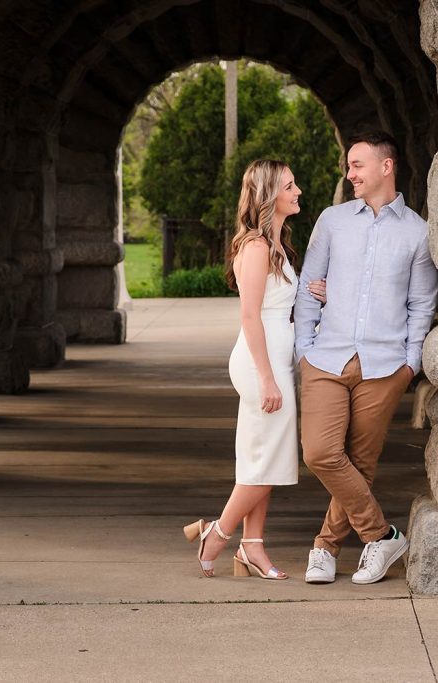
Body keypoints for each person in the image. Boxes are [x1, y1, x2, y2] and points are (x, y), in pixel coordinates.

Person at [295, 131, 438, 585]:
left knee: (360, 461)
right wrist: (304, 348)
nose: (350, 173)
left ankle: (325, 548)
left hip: (384, 364)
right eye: (349, 164)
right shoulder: (333, 221)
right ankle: (383, 534)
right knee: (320, 451)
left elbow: (422, 304)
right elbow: (308, 284)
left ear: (386, 166)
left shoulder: (418, 232)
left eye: (357, 164)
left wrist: (410, 363)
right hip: (327, 357)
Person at [183, 159, 302, 580]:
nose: (298, 191)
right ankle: (217, 533)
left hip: (274, 363)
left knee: (263, 456)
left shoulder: (277, 246)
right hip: (259, 365)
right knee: (265, 458)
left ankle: (253, 547)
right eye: (289, 186)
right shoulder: (254, 247)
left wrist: (311, 290)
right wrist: (268, 377)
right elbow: (251, 317)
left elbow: (281, 304)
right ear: (270, 195)